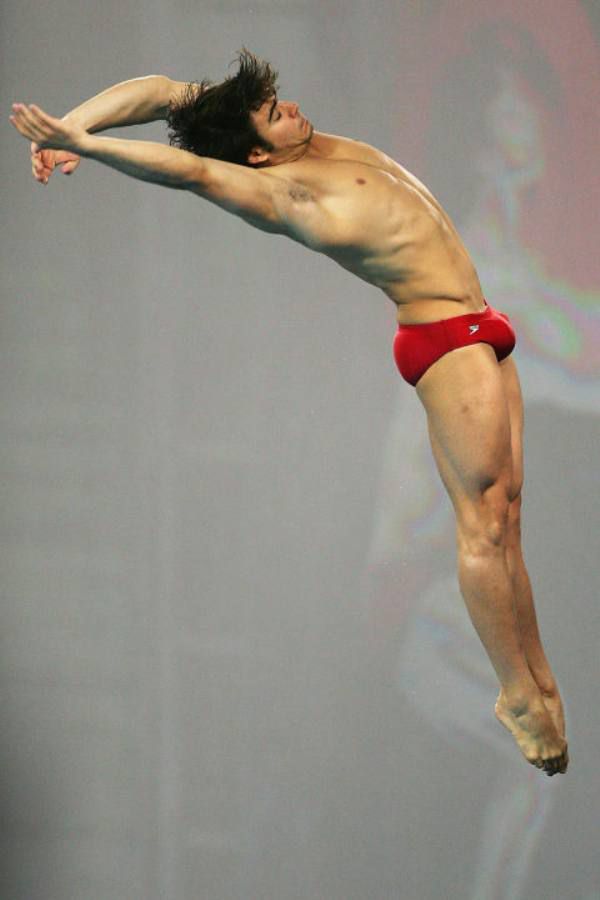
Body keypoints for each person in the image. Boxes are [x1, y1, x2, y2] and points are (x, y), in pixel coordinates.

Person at [10, 49, 568, 775]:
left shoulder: (283, 138)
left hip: (479, 320)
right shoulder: (286, 194)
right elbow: (189, 171)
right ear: (256, 154)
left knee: (508, 519)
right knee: (482, 525)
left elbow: (161, 91)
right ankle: (516, 693)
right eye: (276, 114)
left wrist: (73, 123)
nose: (292, 109)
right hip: (444, 341)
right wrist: (91, 148)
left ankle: (539, 679)